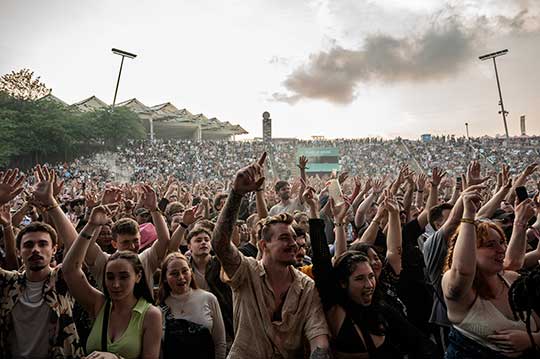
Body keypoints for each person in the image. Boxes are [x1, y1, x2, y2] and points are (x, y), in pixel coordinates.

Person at [212, 153, 331, 358]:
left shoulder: (306, 287)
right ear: (263, 245)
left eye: (294, 238)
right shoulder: (246, 272)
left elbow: (318, 337)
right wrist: (236, 194)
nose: (294, 244)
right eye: (284, 238)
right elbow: (220, 245)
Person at [304, 185, 437, 358]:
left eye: (371, 277)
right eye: (359, 279)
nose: (369, 285)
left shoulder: (381, 308)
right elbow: (322, 261)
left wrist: (394, 214)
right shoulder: (335, 305)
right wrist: (315, 213)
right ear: (344, 282)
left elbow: (419, 343)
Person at [442, 190, 539, 358]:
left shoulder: (511, 279)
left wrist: (533, 339)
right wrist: (469, 216)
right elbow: (463, 271)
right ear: (469, 249)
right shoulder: (459, 289)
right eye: (490, 244)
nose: (501, 249)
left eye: (502, 242)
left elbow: (514, 261)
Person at [0, 168, 85, 358]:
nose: (36, 249)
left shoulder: (63, 280)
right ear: (19, 252)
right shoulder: (7, 283)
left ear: (54, 249)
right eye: (28, 245)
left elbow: (78, 247)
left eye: (43, 244)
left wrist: (52, 204)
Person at [63, 205, 162, 359]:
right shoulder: (99, 304)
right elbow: (70, 269)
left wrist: (116, 358)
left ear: (138, 276)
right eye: (110, 277)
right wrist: (91, 225)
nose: (116, 284)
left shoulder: (150, 314)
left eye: (124, 277)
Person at [84, 184, 170, 296]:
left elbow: (164, 240)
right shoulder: (105, 262)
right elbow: (86, 247)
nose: (133, 246)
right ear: (114, 244)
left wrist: (154, 209)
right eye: (125, 242)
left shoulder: (145, 260)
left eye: (135, 241)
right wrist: (102, 209)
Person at [158, 252, 226, 359]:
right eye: (174, 273)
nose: (181, 277)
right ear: (165, 278)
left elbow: (220, 343)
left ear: (191, 271)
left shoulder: (209, 299)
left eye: (185, 271)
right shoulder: (159, 309)